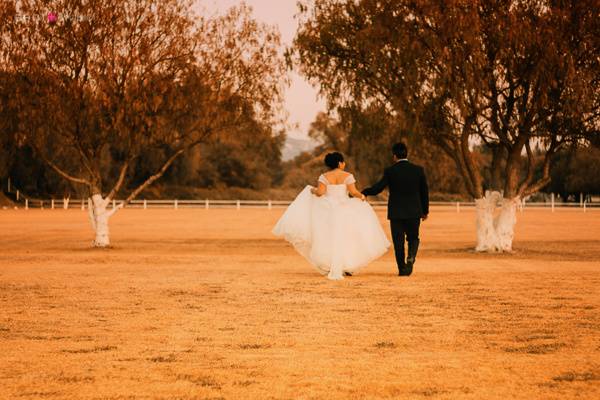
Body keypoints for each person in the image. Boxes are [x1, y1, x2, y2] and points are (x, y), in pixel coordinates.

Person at [272, 152, 390, 280]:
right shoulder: (348, 176)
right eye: (343, 162)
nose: (344, 164)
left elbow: (320, 193)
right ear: (340, 163)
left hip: (328, 211)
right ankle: (345, 265)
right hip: (345, 210)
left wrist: (312, 190)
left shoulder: (324, 176)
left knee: (329, 237)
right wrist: (362, 197)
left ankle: (330, 265)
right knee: (346, 237)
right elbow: (353, 192)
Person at [362, 142, 429, 276]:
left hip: (396, 212)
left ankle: (402, 269)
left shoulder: (390, 171)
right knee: (413, 237)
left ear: (394, 156)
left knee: (398, 242)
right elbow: (424, 192)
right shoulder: (418, 170)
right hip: (414, 211)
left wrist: (364, 192)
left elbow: (378, 188)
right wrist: (425, 211)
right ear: (406, 153)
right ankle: (411, 258)